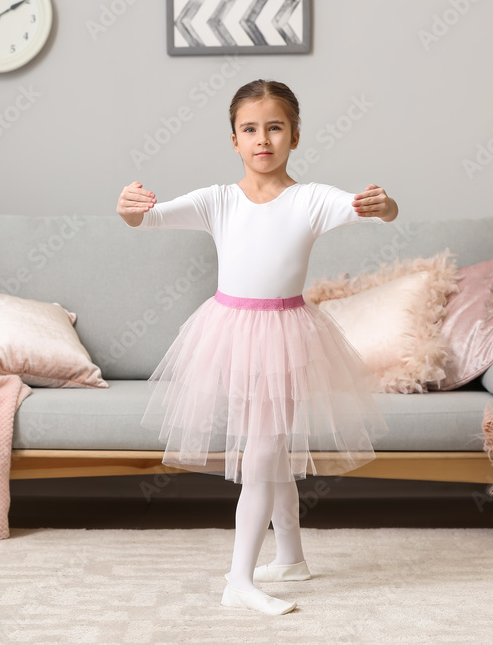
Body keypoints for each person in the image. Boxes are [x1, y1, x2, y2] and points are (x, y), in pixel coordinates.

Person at [115, 79, 398, 616]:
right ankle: (287, 557)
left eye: (274, 127)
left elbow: (378, 211)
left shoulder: (311, 199)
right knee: (268, 453)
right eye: (250, 129)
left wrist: (384, 205)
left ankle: (240, 578)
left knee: (266, 453)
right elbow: (144, 218)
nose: (262, 138)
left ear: (295, 136)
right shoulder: (217, 200)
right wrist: (130, 206)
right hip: (231, 333)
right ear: (234, 140)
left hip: (288, 334)